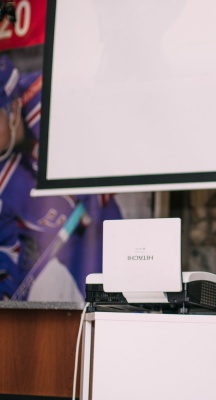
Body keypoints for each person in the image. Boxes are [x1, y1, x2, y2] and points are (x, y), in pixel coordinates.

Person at [0, 54, 123, 301]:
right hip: (57, 251)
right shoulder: (5, 177)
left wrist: (91, 190)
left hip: (99, 230)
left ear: (13, 109)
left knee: (115, 305)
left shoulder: (50, 102)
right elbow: (8, 252)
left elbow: (113, 153)